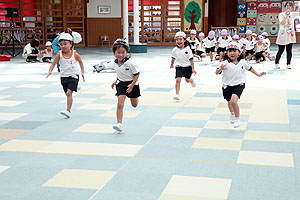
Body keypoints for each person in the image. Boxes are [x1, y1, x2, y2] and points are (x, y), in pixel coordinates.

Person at [215, 42, 266, 128]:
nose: (232, 53)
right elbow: (216, 72)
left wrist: (258, 74)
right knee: (229, 102)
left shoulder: (243, 62)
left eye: (234, 51)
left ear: (239, 52)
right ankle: (232, 114)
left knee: (234, 101)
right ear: (226, 53)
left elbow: (250, 68)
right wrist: (221, 69)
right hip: (227, 85)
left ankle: (237, 118)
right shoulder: (224, 63)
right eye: (230, 51)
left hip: (239, 84)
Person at [46, 33, 85, 118]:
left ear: (71, 44)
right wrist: (50, 71)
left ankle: (68, 110)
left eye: (65, 44)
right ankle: (75, 86)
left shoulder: (75, 54)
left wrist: (82, 72)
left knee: (68, 93)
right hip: (64, 77)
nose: (63, 46)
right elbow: (53, 64)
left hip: (73, 76)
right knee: (67, 93)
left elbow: (81, 62)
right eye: (61, 44)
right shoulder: (59, 54)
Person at [111, 39, 141, 132]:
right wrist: (115, 81)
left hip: (132, 84)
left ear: (127, 52)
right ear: (114, 52)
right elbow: (120, 72)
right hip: (121, 84)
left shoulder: (130, 63)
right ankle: (119, 124)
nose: (120, 54)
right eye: (118, 52)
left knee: (134, 105)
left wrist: (132, 85)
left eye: (123, 52)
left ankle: (134, 97)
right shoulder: (115, 63)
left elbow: (137, 74)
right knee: (120, 104)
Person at [170, 31, 197, 101]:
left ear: (184, 40)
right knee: (178, 79)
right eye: (177, 40)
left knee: (187, 80)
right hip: (179, 66)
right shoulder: (174, 50)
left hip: (188, 67)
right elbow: (173, 58)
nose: (179, 41)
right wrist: (171, 64)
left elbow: (191, 59)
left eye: (180, 39)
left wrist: (193, 69)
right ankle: (177, 94)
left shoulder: (188, 49)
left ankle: (191, 80)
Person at [275, 1, 300, 69]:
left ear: (291, 7)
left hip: (290, 34)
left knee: (289, 50)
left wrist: (298, 6)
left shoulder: (293, 14)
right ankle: (276, 63)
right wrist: (286, 15)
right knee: (281, 50)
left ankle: (288, 64)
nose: (288, 7)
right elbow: (282, 23)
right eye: (287, 5)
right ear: (285, 7)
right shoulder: (281, 14)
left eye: (289, 6)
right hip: (283, 34)